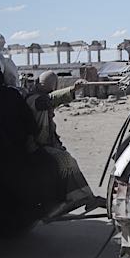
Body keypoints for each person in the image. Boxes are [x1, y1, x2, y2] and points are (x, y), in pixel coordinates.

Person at [0, 63, 64, 236]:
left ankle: (32, 218)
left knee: (44, 168)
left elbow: (27, 118)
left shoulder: (11, 95)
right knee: (0, 192)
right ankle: (2, 231)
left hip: (19, 151)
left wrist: (31, 138)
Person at [26, 71, 100, 210]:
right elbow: (51, 99)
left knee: (67, 160)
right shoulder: (34, 100)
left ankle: (84, 197)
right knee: (66, 161)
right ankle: (78, 197)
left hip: (47, 144)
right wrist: (73, 89)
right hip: (36, 146)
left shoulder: (40, 99)